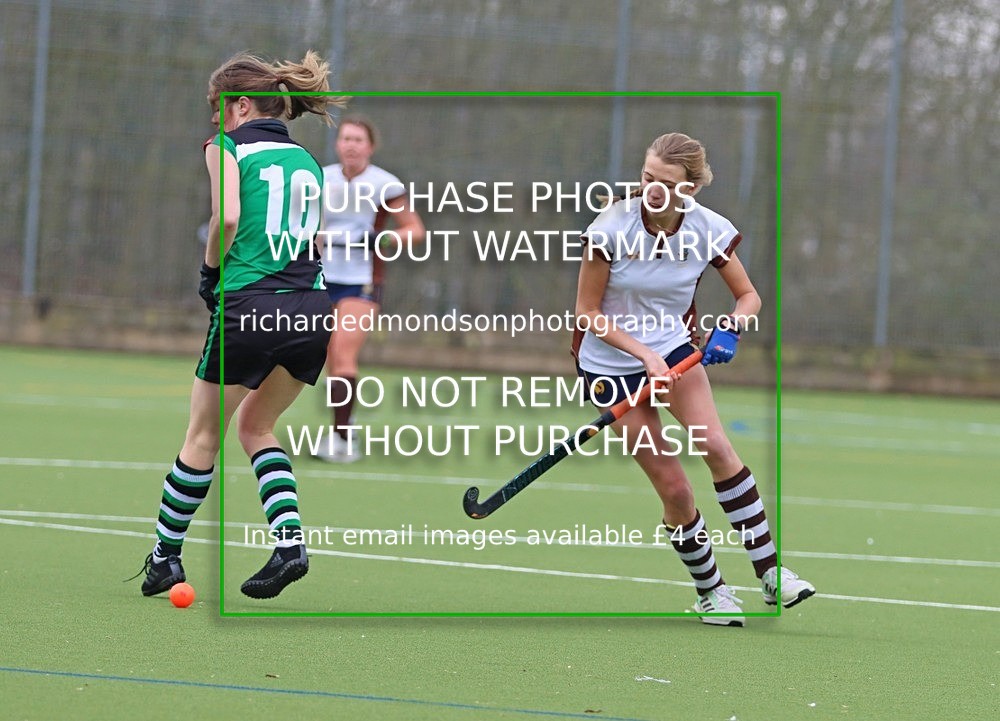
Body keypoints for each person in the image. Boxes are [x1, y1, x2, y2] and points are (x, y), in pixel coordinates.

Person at [130, 51, 347, 600]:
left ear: (241, 104)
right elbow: (312, 240)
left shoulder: (226, 147)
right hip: (315, 309)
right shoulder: (304, 159)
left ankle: (165, 559)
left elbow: (226, 217)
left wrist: (210, 271)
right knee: (256, 427)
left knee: (203, 435)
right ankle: (290, 544)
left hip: (253, 307)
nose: (213, 120)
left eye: (217, 108)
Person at [574, 132, 815, 626]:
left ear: (691, 189)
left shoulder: (709, 229)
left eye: (665, 183)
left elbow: (749, 296)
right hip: (609, 362)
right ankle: (712, 591)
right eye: (646, 178)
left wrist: (731, 325)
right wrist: (643, 357)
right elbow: (587, 312)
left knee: (719, 449)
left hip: (674, 350)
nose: (651, 191)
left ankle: (771, 574)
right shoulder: (611, 227)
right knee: (677, 491)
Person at [312, 115, 425, 462]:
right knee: (327, 357)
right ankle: (344, 428)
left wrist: (379, 239)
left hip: (361, 281)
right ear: (337, 144)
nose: (351, 145)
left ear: (370, 147)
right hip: (319, 278)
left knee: (343, 353)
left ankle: (342, 441)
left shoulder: (384, 184)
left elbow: (414, 230)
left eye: (358, 140)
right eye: (345, 138)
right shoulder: (321, 178)